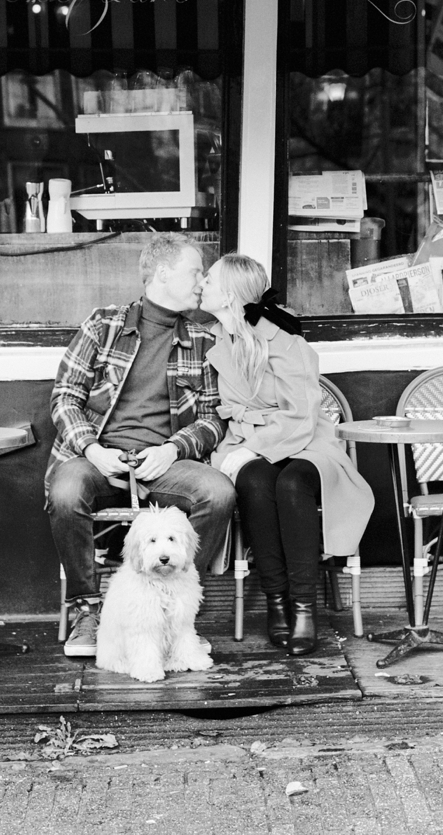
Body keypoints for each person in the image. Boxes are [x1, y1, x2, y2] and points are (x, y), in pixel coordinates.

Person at [46, 232, 236, 658]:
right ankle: (88, 610)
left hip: (165, 463)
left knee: (218, 492)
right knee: (65, 491)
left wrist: (172, 449)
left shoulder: (204, 341)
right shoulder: (103, 325)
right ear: (163, 273)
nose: (202, 282)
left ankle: (178, 611)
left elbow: (213, 418)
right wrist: (93, 450)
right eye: (195, 272)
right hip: (98, 457)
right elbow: (65, 397)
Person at [200, 253, 375, 656]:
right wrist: (245, 449)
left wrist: (251, 447)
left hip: (307, 441)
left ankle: (304, 608)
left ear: (228, 295)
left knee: (292, 483)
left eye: (208, 279)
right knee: (254, 481)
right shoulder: (216, 338)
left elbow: (301, 415)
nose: (201, 284)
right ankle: (276, 601)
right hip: (252, 442)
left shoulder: (284, 339)